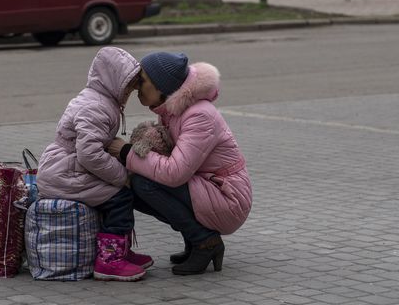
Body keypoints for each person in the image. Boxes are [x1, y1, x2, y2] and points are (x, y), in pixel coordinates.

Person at [107, 51, 252, 275]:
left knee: (144, 184)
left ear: (161, 86)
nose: (137, 88)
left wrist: (126, 152)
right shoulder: (174, 111)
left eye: (142, 81)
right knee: (134, 188)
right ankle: (194, 238)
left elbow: (175, 173)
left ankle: (205, 241)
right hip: (209, 187)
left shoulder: (199, 115)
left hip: (228, 197)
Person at [37, 46, 152, 281]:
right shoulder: (96, 107)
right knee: (120, 197)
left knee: (115, 195)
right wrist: (122, 176)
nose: (131, 90)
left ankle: (120, 251)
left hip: (67, 168)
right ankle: (110, 261)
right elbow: (89, 154)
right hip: (65, 172)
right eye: (128, 84)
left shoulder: (99, 99)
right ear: (114, 81)